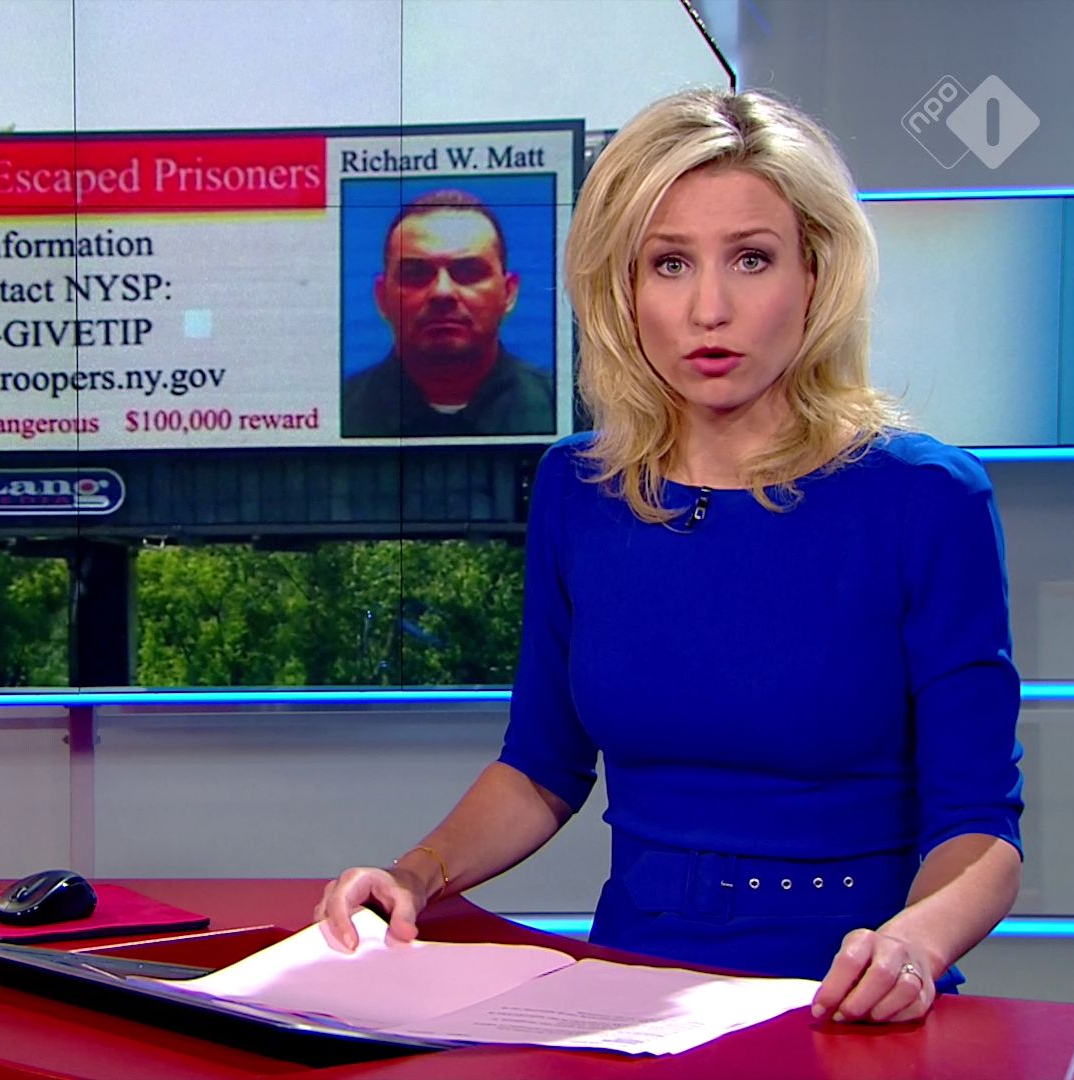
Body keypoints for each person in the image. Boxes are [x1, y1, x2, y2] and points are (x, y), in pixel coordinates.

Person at [317, 89, 1024, 1027]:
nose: (709, 309)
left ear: (815, 274)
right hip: (628, 991)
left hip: (844, 1000)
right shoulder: (581, 489)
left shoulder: (926, 498)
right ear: (624, 288)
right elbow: (540, 768)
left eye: (751, 259)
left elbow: (980, 831)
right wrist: (414, 874)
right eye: (670, 263)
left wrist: (913, 945)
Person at [340, 190, 555, 437]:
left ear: (508, 293)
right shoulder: (338, 414)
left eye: (468, 272)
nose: (442, 292)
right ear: (381, 297)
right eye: (415, 274)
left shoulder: (564, 409)